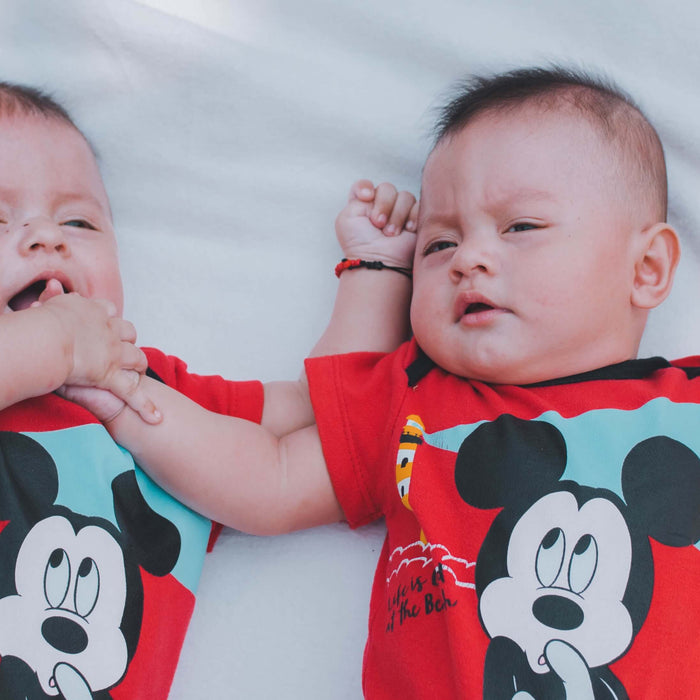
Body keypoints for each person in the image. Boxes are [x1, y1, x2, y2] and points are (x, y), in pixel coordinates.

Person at [73, 66, 700, 698]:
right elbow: (271, 477)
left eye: (521, 227)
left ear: (645, 268)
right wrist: (129, 398)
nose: (469, 259)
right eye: (439, 244)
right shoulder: (418, 405)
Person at [0, 81, 417, 698]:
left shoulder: (146, 386)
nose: (46, 239)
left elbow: (315, 413)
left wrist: (376, 273)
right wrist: (53, 346)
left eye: (79, 221)